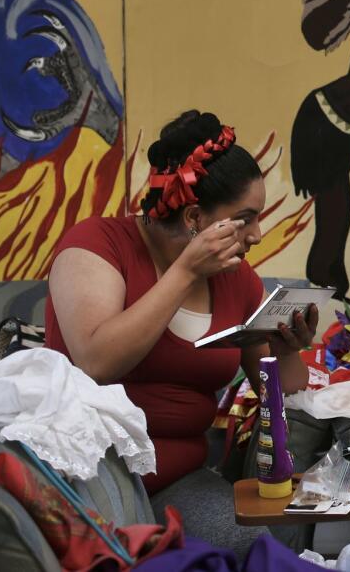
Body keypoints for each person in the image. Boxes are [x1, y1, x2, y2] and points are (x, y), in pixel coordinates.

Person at [44, 110, 317, 556]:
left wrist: (288, 350)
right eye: (245, 218)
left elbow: (285, 389)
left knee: (257, 551)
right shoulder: (96, 245)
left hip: (181, 480)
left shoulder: (237, 279)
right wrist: (186, 271)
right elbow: (96, 361)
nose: (257, 234)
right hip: (95, 479)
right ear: (194, 217)